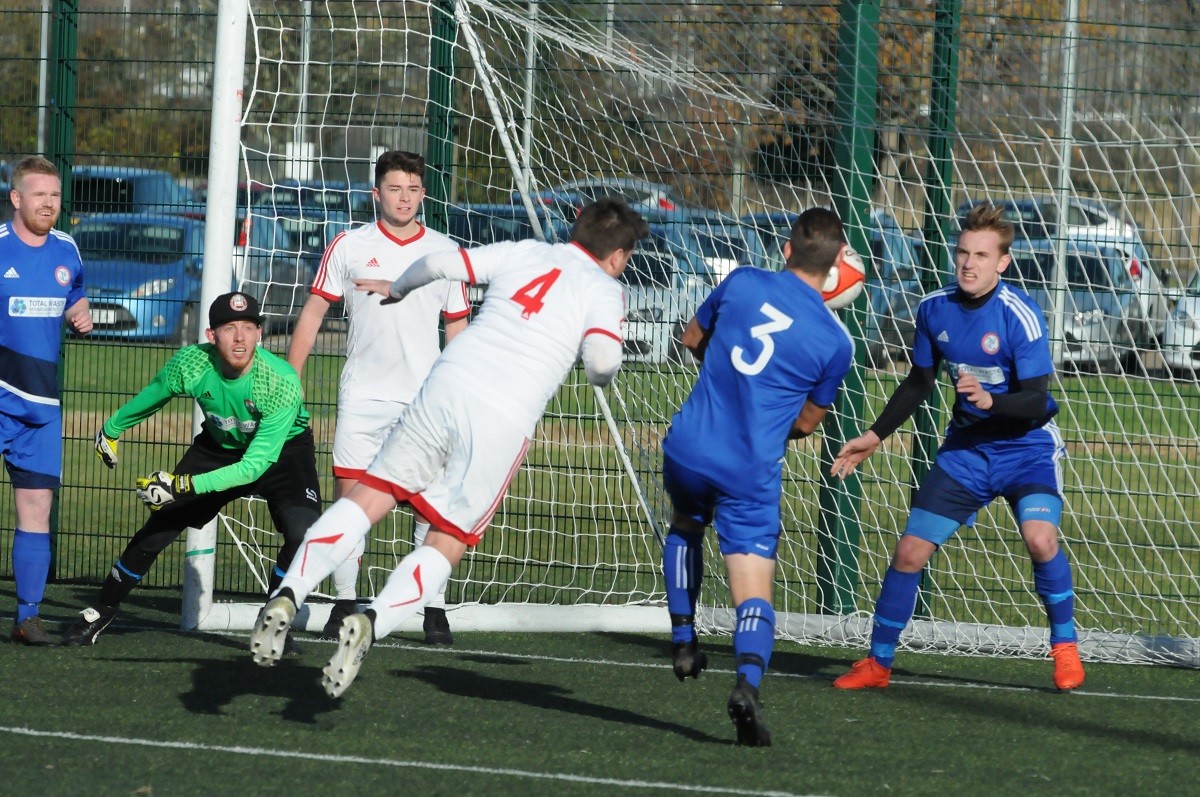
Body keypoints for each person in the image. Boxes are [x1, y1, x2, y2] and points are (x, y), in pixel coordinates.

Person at [249, 198, 646, 698]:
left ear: (576, 231)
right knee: (447, 537)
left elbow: (439, 263)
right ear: (618, 256)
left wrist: (396, 288)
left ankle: (291, 591)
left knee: (370, 496)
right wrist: (599, 370)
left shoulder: (525, 250)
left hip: (447, 383)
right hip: (503, 418)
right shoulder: (604, 289)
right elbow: (603, 361)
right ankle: (374, 620)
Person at [829, 202, 1084, 692]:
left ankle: (1066, 648)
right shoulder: (933, 309)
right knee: (908, 552)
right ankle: (878, 664)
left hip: (1026, 449)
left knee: (1040, 540)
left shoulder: (1019, 316)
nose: (969, 263)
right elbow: (918, 382)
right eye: (963, 252)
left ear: (1002, 263)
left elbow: (1036, 400)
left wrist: (991, 400)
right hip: (966, 453)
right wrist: (875, 435)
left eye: (982, 256)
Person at [660, 208, 855, 747]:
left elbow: (691, 337)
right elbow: (807, 424)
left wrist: (725, 383)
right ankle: (746, 685)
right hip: (750, 467)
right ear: (837, 265)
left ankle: (683, 638)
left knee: (685, 523)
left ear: (787, 250)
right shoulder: (836, 343)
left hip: (689, 446)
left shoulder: (742, 280)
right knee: (753, 593)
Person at [61, 292, 322, 647]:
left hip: (283, 453)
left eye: (249, 327)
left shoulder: (279, 381)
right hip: (217, 448)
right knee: (159, 526)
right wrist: (112, 428)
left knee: (302, 535)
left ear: (260, 333)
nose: (241, 337)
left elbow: (254, 466)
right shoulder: (192, 363)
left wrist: (181, 485)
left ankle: (274, 619)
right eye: (230, 328)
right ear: (211, 335)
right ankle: (102, 610)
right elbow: (156, 392)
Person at [287, 151, 469, 644]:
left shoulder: (443, 251)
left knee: (431, 505)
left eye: (413, 188)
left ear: (423, 195)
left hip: (424, 403)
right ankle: (344, 603)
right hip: (362, 399)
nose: (404, 197)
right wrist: (290, 378)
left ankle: (432, 609)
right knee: (350, 506)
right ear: (376, 194)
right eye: (395, 188)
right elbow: (313, 313)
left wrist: (459, 387)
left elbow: (457, 324)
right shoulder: (348, 245)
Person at [1, 155, 94, 645]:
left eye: (55, 196)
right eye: (39, 195)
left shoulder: (67, 251)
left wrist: (81, 313)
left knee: (36, 505)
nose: (49, 204)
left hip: (40, 406)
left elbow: (74, 295)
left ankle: (27, 617)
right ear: (17, 199)